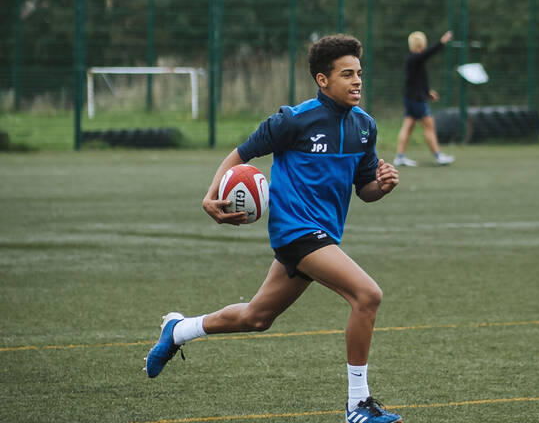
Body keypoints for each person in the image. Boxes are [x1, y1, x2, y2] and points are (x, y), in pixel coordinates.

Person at [145, 34, 403, 423]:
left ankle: (179, 330)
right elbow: (240, 153)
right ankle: (358, 404)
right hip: (296, 231)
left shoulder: (365, 127)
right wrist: (210, 195)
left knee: (256, 317)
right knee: (367, 295)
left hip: (323, 236)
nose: (357, 81)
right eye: (347, 74)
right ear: (322, 80)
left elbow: (364, 190)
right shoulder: (293, 121)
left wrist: (381, 185)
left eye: (360, 73)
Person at [393, 29, 455, 167]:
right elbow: (428, 54)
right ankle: (438, 156)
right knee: (429, 127)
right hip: (416, 100)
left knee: (408, 126)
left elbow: (417, 80)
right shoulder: (415, 58)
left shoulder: (413, 59)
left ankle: (399, 157)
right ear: (420, 44)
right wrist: (441, 42)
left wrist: (427, 92)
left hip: (411, 97)